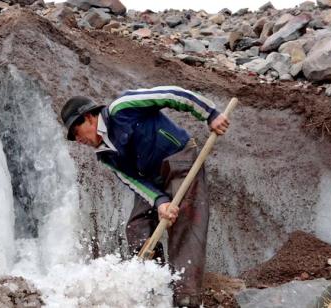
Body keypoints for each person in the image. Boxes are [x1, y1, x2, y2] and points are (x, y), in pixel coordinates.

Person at [60, 86, 229, 307]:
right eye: (73, 135)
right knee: (136, 226)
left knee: (185, 226)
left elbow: (172, 95)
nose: (77, 138)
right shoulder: (104, 156)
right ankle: (154, 291)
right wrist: (160, 202)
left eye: (76, 130)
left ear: (89, 117)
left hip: (180, 160)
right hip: (152, 181)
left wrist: (210, 114)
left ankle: (186, 299)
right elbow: (133, 181)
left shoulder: (121, 109)